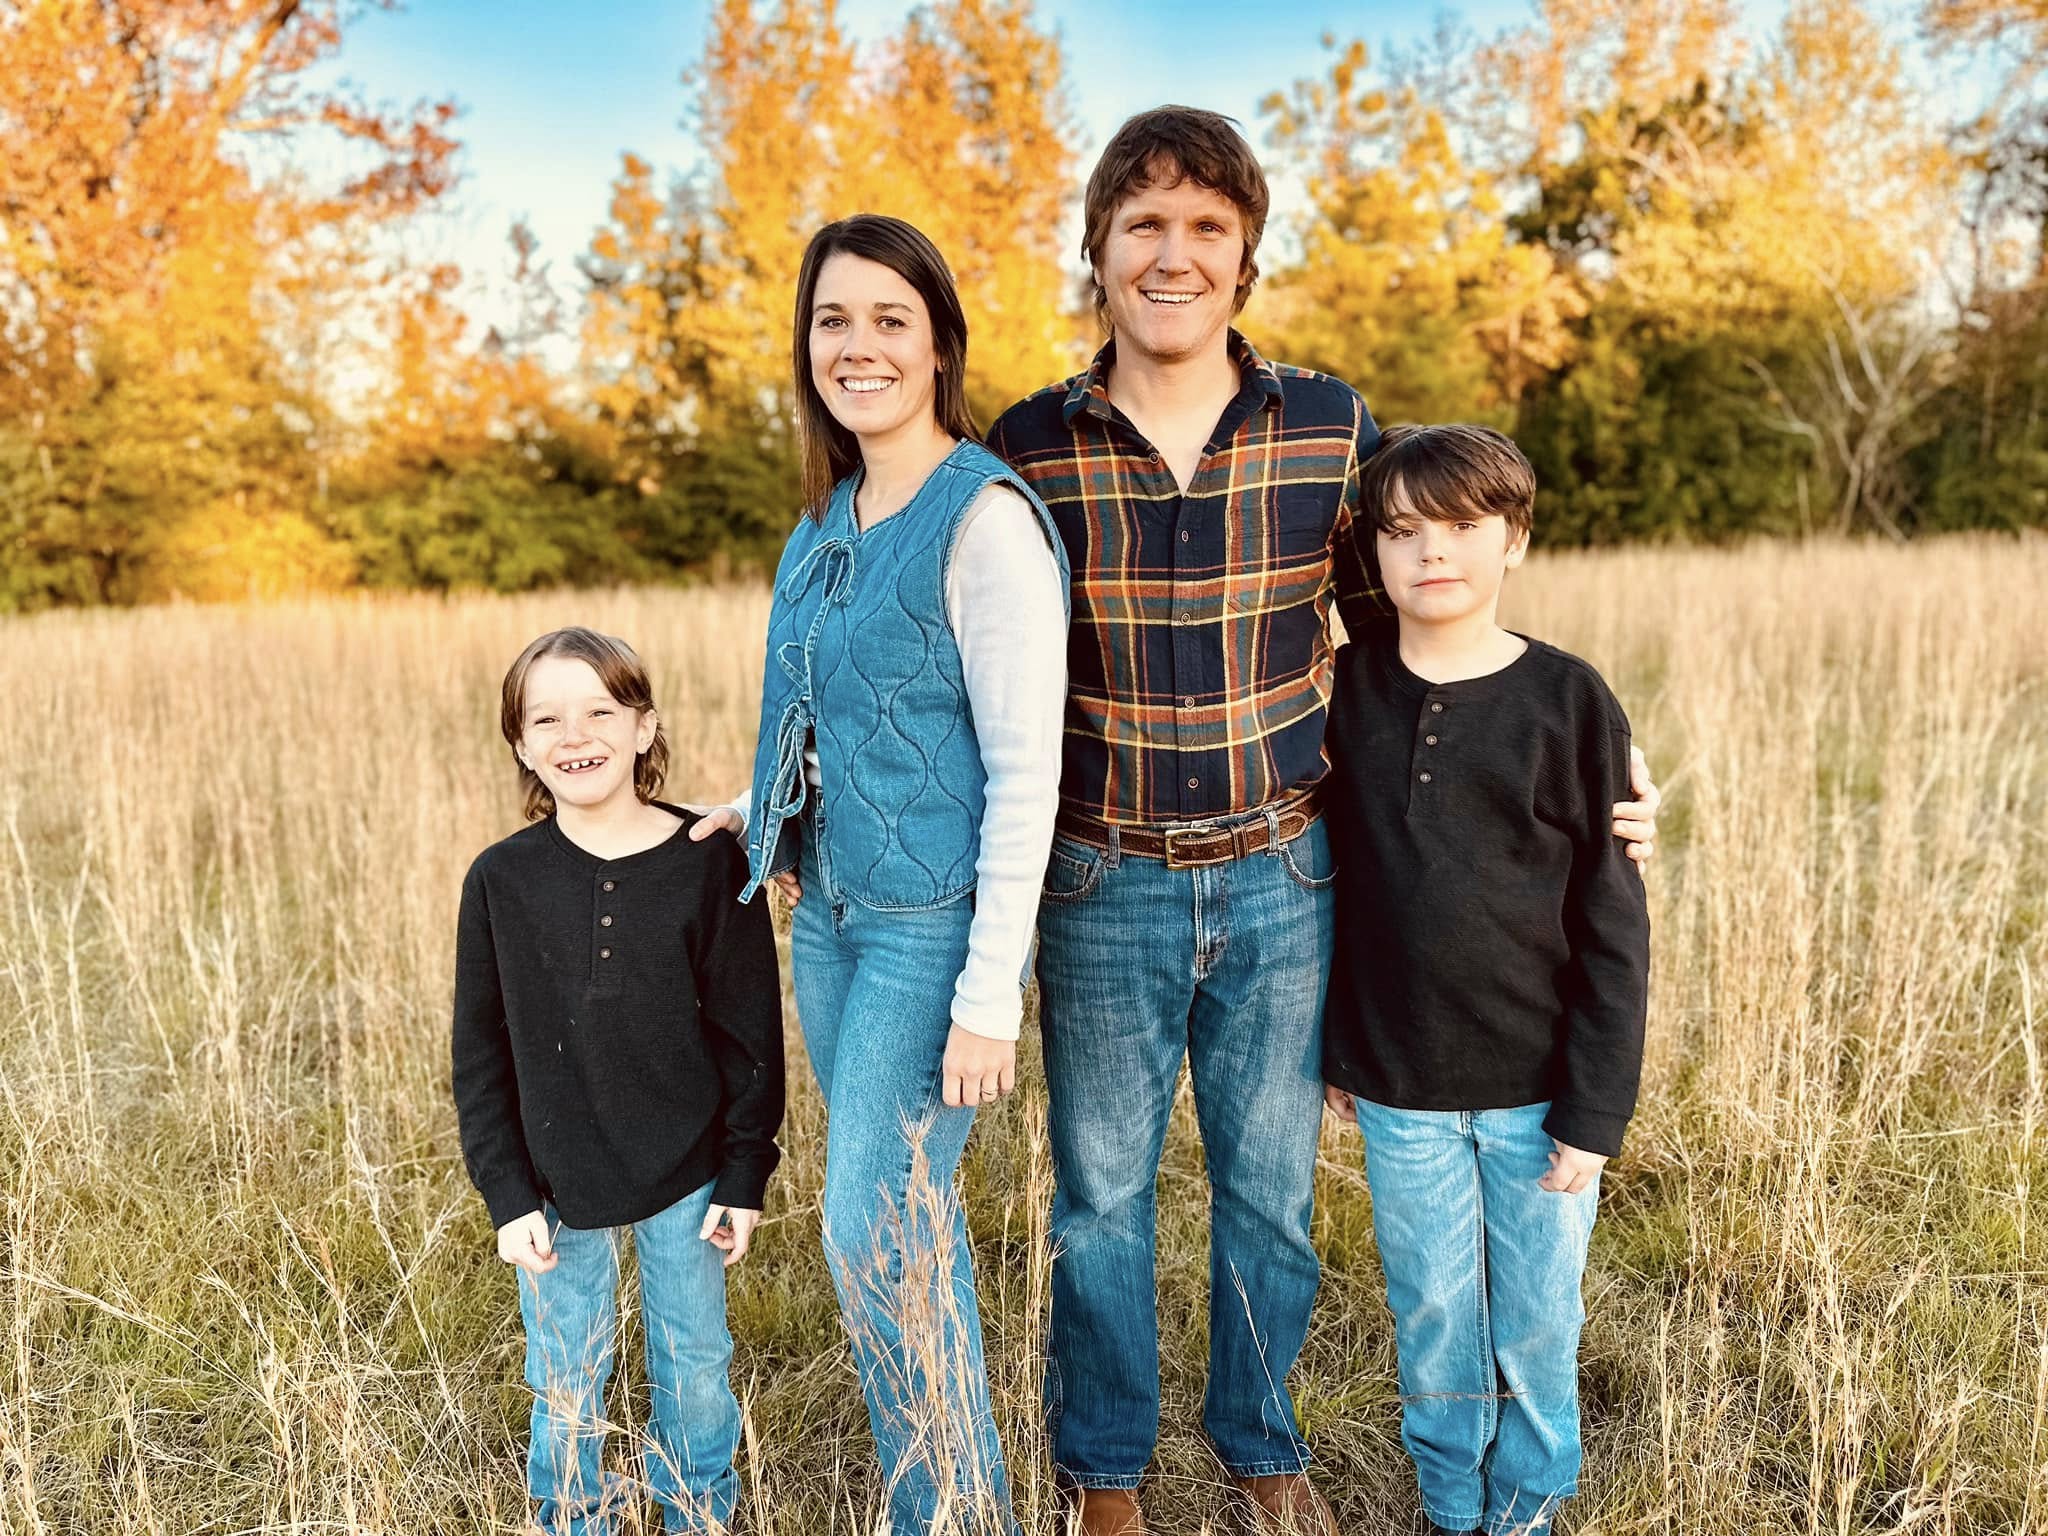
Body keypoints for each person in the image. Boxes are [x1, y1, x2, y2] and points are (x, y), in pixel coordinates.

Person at [985, 107, 1660, 1535]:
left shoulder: (1329, 425)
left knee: (1271, 1198)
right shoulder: (1030, 445)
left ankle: (1257, 1440)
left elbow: (1407, 635)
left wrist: (1581, 780)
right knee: (1101, 1200)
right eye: (1143, 226)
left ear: (1246, 258)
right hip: (1101, 878)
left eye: (1207, 230)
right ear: (1097, 251)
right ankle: (1105, 1469)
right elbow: (980, 657)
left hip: (1286, 874)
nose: (1174, 255)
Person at [693, 213, 1069, 1533]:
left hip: (932, 935)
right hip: (832, 926)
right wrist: (755, 811)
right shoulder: (826, 522)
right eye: (831, 321)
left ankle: (956, 1518)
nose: (857, 347)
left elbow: (1028, 773)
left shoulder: (986, 519)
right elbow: (837, 710)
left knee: (873, 1226)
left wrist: (988, 996)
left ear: (939, 344)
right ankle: (956, 1506)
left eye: (888, 321)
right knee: (900, 1229)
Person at [1319, 424, 1650, 1536]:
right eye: (1403, 532)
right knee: (1430, 1312)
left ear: (1512, 537)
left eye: (1463, 527)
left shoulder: (1567, 699)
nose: (1432, 555)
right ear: (1370, 551)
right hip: (1400, 1087)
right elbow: (1336, 890)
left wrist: (1594, 1108)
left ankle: (1524, 1510)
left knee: (1534, 1321)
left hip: (1537, 1090)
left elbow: (1610, 920)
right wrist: (1339, 1048)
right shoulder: (1345, 690)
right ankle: (1450, 1503)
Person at [451, 626, 785, 1535]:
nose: (575, 734)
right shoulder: (501, 881)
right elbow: (478, 1057)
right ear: (519, 743)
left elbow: (750, 1035)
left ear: (644, 727)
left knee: (694, 1358)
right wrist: (507, 1192)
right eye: (546, 718)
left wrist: (746, 1172)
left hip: (691, 1170)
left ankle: (697, 1511)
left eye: (601, 709)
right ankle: (571, 1513)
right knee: (565, 1364)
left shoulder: (711, 858)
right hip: (555, 1178)